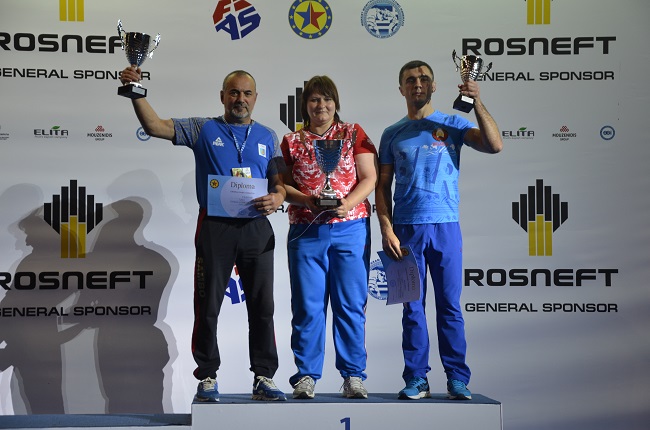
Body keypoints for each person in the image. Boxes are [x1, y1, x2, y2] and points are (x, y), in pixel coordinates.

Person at [119, 66, 287, 402]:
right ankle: (207, 375)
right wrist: (135, 91)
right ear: (222, 96)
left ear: (256, 98)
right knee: (207, 304)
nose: (240, 99)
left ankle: (264, 376)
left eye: (247, 93)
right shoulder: (203, 128)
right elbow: (154, 126)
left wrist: (278, 197)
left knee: (262, 306)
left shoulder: (268, 136)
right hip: (215, 227)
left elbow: (279, 183)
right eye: (234, 92)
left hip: (256, 228)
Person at [375, 60, 503, 401]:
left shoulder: (454, 124)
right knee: (412, 309)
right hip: (406, 230)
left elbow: (494, 145)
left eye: (424, 79)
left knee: (449, 307)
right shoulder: (392, 133)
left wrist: (477, 101)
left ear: (433, 86)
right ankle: (417, 378)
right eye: (410, 80)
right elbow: (382, 186)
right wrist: (386, 227)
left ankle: (457, 378)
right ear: (401, 89)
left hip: (446, 226)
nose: (417, 83)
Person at [280, 76, 378, 399]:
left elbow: (370, 177)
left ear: (336, 103)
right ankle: (306, 375)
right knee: (308, 307)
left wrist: (347, 204)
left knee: (350, 305)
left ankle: (353, 376)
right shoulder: (291, 141)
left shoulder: (353, 133)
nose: (320, 106)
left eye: (326, 99)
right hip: (306, 230)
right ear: (305, 105)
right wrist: (307, 199)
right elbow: (282, 187)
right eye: (314, 100)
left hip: (351, 228)